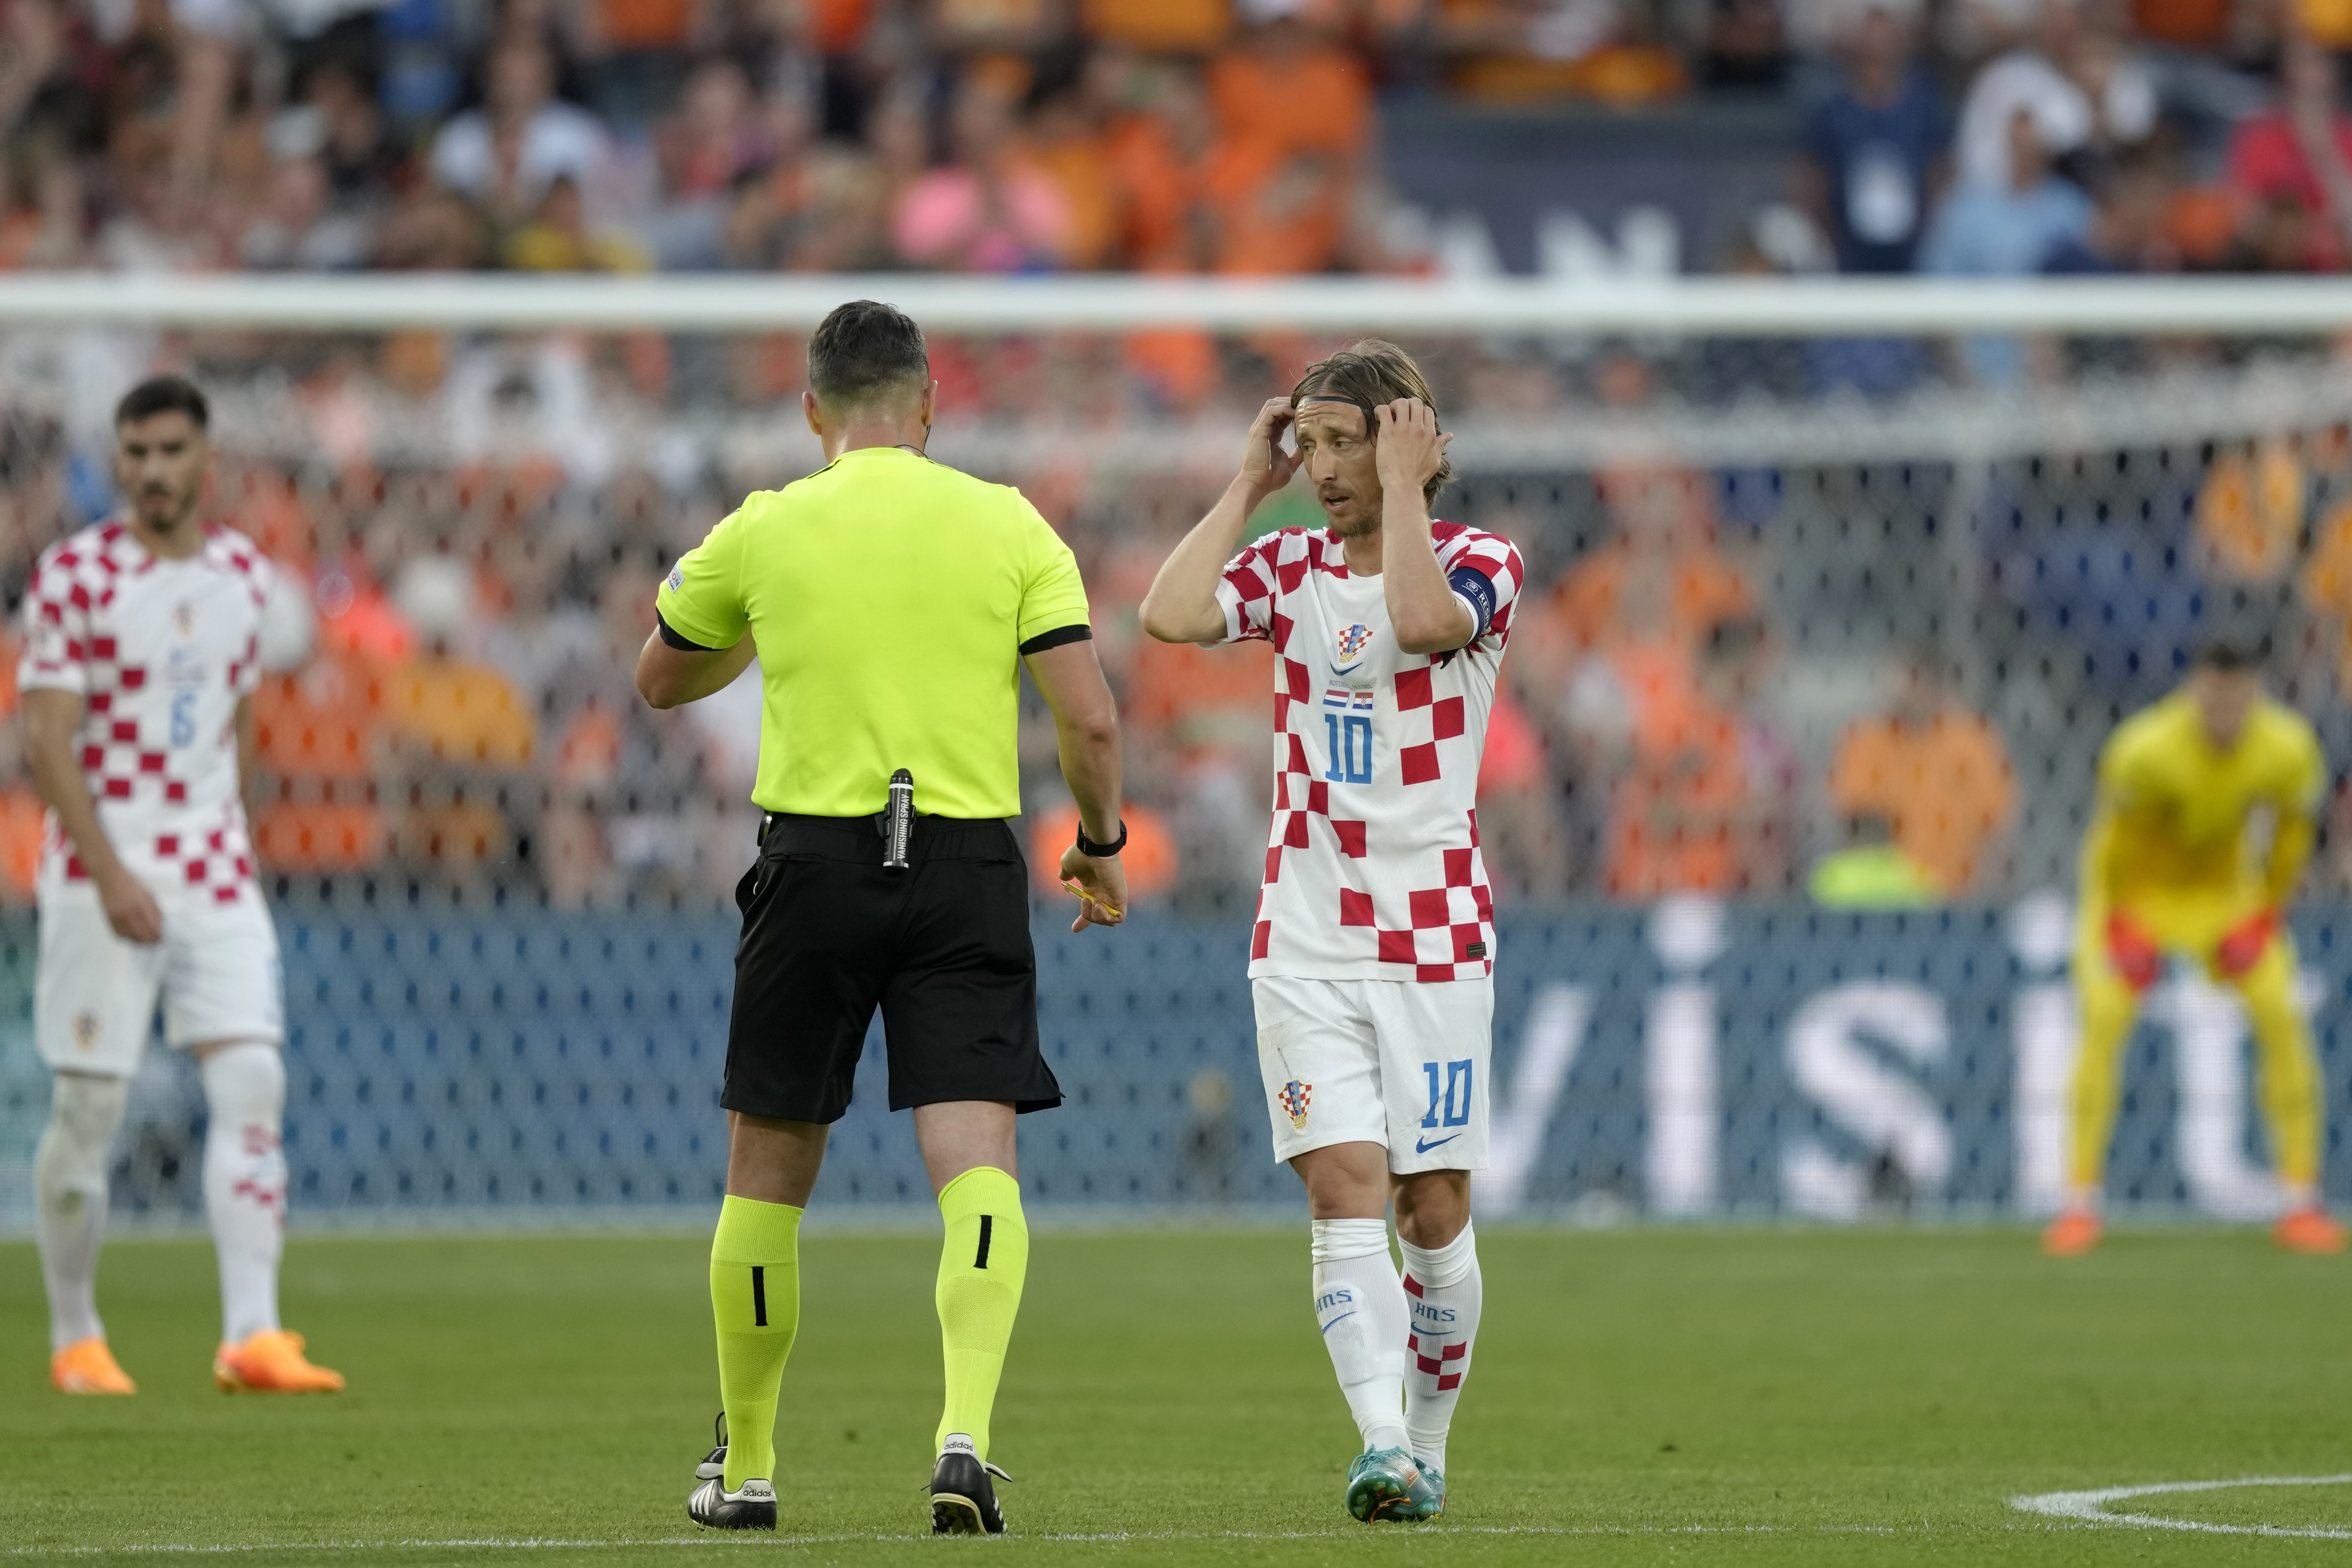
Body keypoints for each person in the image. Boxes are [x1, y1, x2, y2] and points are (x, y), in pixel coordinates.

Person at [634, 300, 1128, 1535]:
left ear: (812, 411)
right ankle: (963, 1435)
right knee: (975, 1169)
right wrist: (1101, 840)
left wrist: (762, 626)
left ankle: (746, 1465)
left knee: (765, 1176)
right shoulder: (1008, 522)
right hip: (962, 865)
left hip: (812, 861)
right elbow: (1091, 717)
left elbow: (656, 676)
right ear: (930, 403)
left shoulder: (763, 528)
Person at [1138, 341, 1525, 1524]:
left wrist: (1403, 490)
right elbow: (1167, 614)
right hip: (1303, 936)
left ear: (1405, 440)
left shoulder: (1479, 562)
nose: (1321, 465)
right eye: (1307, 442)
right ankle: (1379, 1445)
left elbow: (1415, 624)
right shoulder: (1286, 561)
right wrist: (1246, 485)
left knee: (1433, 1206)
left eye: (1343, 441)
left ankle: (1428, 1441)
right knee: (1344, 1186)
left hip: (1433, 935)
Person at [26, 375, 344, 1397]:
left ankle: (252, 1334)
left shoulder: (246, 579)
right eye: (135, 452)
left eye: (170, 451)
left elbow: (240, 721)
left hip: (211, 868)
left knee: (253, 1081)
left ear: (206, 462)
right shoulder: (74, 576)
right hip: (97, 869)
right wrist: (112, 869)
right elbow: (45, 738)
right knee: (88, 1110)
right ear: (118, 462)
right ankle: (76, 1334)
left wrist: (229, 836)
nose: (152, 470)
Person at [2048, 634, 2345, 1257]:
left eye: (2236, 701)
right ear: (2192, 692)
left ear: (2255, 695)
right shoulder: (2143, 751)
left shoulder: (2287, 750)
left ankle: (2300, 1201)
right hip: (2138, 897)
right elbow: (2111, 849)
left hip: (2223, 897)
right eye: (2213, 700)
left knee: (2280, 1012)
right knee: (2101, 1017)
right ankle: (2077, 1203)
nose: (2224, 716)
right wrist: (2121, 925)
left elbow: (2290, 845)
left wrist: (2262, 917)